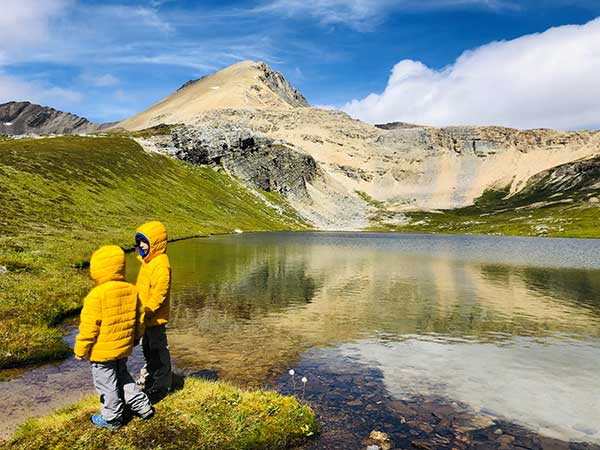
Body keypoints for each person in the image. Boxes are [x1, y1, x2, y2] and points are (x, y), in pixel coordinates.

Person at [74, 245, 154, 430]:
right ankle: (143, 407)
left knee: (107, 384)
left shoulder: (96, 295)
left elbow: (89, 328)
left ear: (98, 269)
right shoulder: (131, 290)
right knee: (123, 376)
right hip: (123, 347)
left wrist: (80, 350)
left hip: (102, 353)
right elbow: (140, 318)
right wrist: (136, 338)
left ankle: (112, 418)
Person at [134, 221, 173, 399]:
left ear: (155, 243)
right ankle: (149, 378)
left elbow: (160, 294)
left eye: (145, 241)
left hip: (154, 318)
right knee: (147, 349)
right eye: (139, 241)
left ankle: (162, 385)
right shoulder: (147, 261)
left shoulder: (161, 265)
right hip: (145, 317)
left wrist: (147, 311)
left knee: (158, 351)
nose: (141, 245)